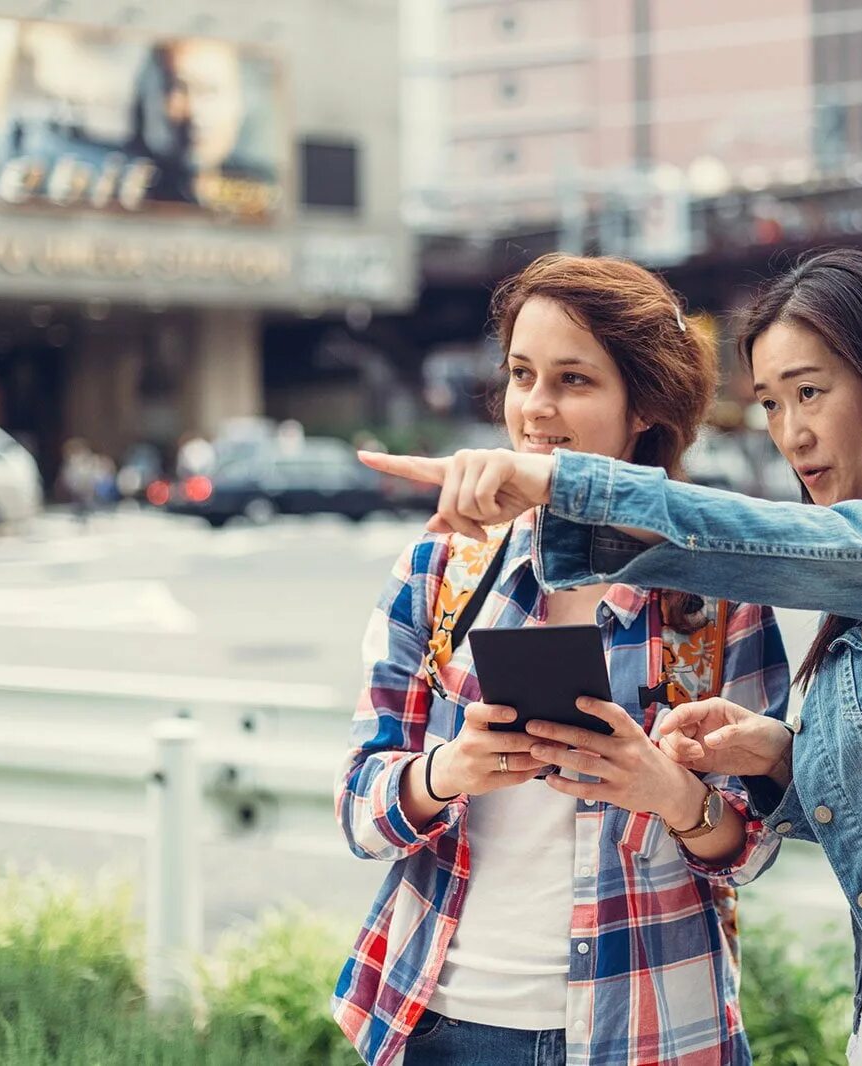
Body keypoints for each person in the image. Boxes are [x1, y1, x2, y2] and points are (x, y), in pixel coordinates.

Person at [361, 247, 862, 1065]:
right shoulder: (440, 572)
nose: (791, 433)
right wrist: (775, 752)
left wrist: (566, 489)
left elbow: (801, 546)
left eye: (811, 392)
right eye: (771, 403)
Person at [333, 254, 790, 1066]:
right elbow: (359, 810)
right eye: (521, 374)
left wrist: (672, 794)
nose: (535, 408)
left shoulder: (712, 595)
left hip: (655, 1030)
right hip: (445, 1023)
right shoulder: (440, 572)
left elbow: (754, 845)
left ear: (642, 405)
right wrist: (449, 771)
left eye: (574, 380)